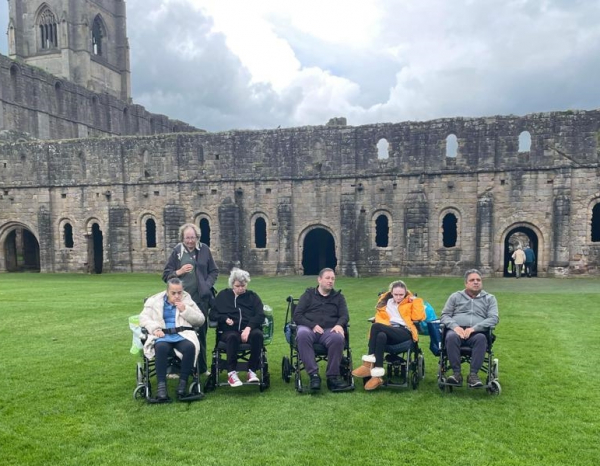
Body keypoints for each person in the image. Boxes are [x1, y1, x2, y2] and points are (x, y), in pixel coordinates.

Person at [163, 223, 218, 376]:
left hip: (201, 300)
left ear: (197, 237)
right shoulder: (177, 252)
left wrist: (206, 286)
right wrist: (178, 272)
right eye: (187, 238)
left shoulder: (204, 249)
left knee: (201, 334)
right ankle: (175, 369)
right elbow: (166, 275)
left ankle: (202, 368)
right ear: (183, 237)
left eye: (192, 237)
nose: (190, 241)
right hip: (180, 302)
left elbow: (214, 271)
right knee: (179, 333)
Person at [139, 278, 205, 401]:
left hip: (182, 334)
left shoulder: (187, 300)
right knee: (161, 348)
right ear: (167, 291)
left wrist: (185, 310)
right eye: (173, 293)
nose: (177, 296)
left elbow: (200, 320)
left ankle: (182, 386)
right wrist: (154, 329)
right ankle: (161, 389)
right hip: (162, 335)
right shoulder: (155, 301)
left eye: (179, 292)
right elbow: (143, 318)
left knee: (190, 347)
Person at [352, 280, 425, 390]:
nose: (399, 297)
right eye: (396, 294)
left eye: (401, 294)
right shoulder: (385, 303)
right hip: (387, 331)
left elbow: (419, 317)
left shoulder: (410, 302)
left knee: (376, 326)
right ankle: (377, 376)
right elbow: (379, 318)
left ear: (405, 293)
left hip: (404, 332)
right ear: (391, 293)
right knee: (381, 335)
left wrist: (416, 301)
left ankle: (368, 365)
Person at [293, 268, 350, 392]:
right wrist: (312, 325)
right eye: (327, 278)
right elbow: (297, 315)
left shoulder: (339, 297)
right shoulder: (308, 295)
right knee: (302, 334)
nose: (330, 281)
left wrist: (340, 325)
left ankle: (332, 377)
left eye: (333, 279)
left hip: (329, 330)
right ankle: (314, 376)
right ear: (319, 279)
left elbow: (344, 316)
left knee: (338, 337)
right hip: (309, 329)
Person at [440, 269, 499, 388]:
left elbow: (494, 318)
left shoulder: (490, 298)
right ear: (466, 283)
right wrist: (455, 327)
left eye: (478, 280)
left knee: (481, 338)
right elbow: (444, 316)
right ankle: (456, 374)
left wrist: (474, 328)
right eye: (472, 280)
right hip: (457, 331)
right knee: (450, 337)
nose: (476, 282)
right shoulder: (455, 297)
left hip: (477, 333)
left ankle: (473, 375)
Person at [209, 268, 265, 387]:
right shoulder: (223, 296)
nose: (241, 288)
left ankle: (252, 371)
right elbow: (212, 314)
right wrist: (224, 319)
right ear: (232, 285)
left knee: (258, 335)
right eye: (237, 286)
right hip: (229, 331)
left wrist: (248, 328)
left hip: (249, 329)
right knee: (232, 337)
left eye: (243, 286)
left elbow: (260, 314)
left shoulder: (252, 296)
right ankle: (232, 373)